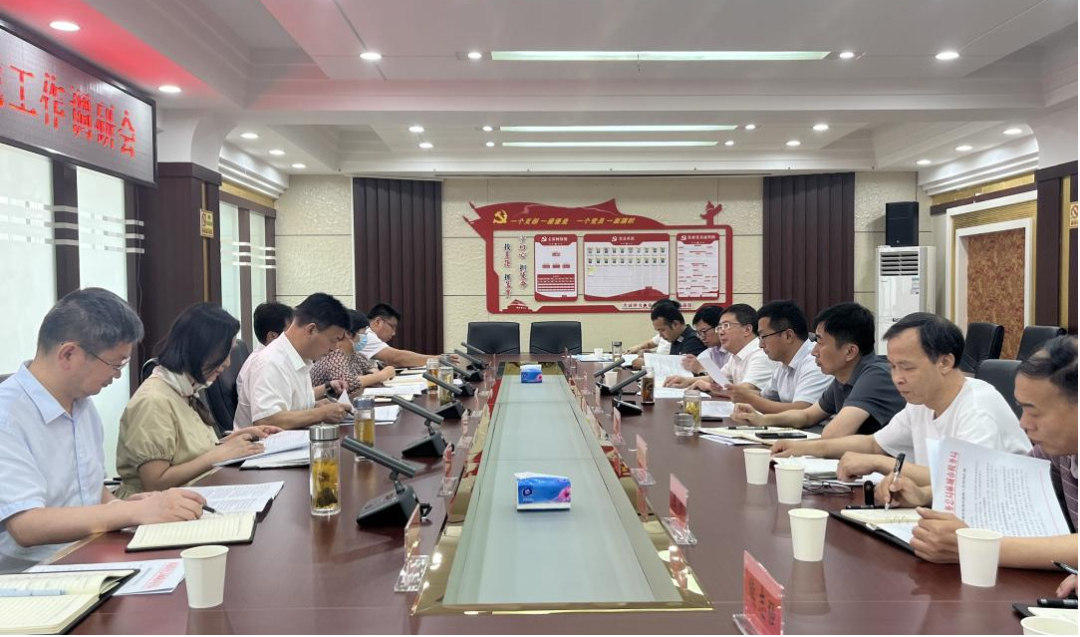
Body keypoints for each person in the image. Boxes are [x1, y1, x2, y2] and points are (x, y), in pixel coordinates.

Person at [0, 289, 206, 573]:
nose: (118, 375)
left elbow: (90, 491)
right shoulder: (8, 416)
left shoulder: (83, 406)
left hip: (93, 555)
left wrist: (127, 506)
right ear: (68, 354)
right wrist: (128, 512)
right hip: (34, 576)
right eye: (115, 364)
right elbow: (26, 526)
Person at [881, 336, 1078, 570]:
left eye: (1035, 412)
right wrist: (923, 495)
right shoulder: (1057, 451)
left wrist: (974, 546)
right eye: (1022, 409)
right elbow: (1004, 489)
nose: (1024, 423)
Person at [770, 313, 1032, 487]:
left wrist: (880, 464)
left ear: (944, 362)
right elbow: (875, 444)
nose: (897, 378)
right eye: (893, 366)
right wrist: (803, 448)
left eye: (907, 367)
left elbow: (960, 480)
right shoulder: (922, 401)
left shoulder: (976, 407)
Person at [115, 304, 281, 499]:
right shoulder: (154, 401)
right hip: (157, 506)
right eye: (224, 354)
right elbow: (154, 482)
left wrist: (236, 438)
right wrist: (219, 454)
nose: (227, 363)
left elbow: (187, 453)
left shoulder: (185, 389)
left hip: (196, 493)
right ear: (199, 350)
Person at [732, 302, 905, 438]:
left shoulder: (876, 375)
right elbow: (806, 416)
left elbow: (832, 435)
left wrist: (791, 446)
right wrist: (762, 419)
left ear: (850, 352)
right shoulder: (842, 378)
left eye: (820, 342)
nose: (814, 351)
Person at [234, 293, 353, 430]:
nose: (335, 348)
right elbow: (266, 421)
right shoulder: (271, 362)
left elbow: (291, 408)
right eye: (333, 340)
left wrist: (315, 407)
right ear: (311, 330)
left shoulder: (300, 358)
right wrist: (320, 414)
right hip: (263, 443)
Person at [727, 301, 833, 414]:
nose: (760, 345)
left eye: (763, 336)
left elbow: (802, 410)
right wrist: (737, 393)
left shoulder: (815, 362)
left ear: (788, 336)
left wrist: (750, 400)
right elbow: (765, 397)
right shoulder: (784, 364)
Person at [666, 304, 773, 393]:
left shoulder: (761, 354)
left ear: (747, 329)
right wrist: (687, 380)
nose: (720, 332)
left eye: (726, 326)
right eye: (719, 327)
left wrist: (707, 386)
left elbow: (744, 392)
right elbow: (717, 379)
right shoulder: (736, 354)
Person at [311, 309, 396, 394]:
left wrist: (374, 376)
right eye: (363, 334)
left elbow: (370, 368)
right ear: (349, 334)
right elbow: (346, 383)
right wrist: (382, 375)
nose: (365, 338)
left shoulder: (353, 353)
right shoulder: (334, 353)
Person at [357, 303, 451, 369]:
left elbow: (391, 361)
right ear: (378, 322)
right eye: (392, 327)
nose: (394, 333)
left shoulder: (370, 336)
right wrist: (438, 360)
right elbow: (397, 358)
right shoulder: (366, 336)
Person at [679, 305, 731, 377]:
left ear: (719, 327)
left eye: (704, 331)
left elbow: (728, 381)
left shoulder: (733, 350)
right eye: (699, 333)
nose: (702, 337)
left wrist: (701, 369)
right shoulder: (710, 351)